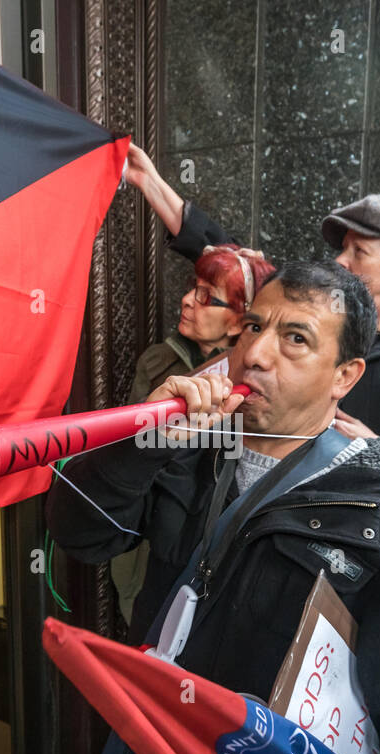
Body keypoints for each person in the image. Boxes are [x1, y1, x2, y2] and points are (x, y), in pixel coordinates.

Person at [46, 261, 380, 754]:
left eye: (296, 339)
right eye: (252, 325)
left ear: (346, 376)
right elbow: (80, 535)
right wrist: (141, 444)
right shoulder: (191, 450)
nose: (255, 353)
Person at [123, 145, 380, 525]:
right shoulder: (311, 315)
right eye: (256, 326)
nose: (339, 260)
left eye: (359, 252)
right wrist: (150, 183)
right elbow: (233, 262)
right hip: (274, 526)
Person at [112, 244, 275, 624]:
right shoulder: (158, 362)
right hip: (145, 528)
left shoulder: (254, 381)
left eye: (206, 297)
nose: (187, 301)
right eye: (192, 288)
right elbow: (133, 445)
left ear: (239, 322)